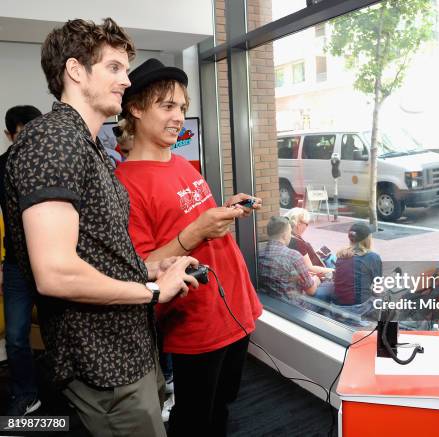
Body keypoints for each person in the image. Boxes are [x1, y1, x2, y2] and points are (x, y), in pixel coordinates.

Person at [4, 19, 198, 437]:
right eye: (113, 68)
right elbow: (55, 273)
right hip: (103, 362)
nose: (126, 80)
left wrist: (147, 269)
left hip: (129, 348)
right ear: (76, 71)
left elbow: (92, 250)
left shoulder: (88, 146)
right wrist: (152, 292)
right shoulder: (53, 141)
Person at [114, 58, 263, 437]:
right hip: (196, 320)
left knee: (224, 405)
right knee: (195, 418)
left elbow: (195, 220)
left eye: (182, 107)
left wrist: (224, 212)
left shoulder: (182, 164)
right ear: (135, 108)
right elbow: (141, 266)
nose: (178, 116)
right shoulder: (123, 184)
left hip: (236, 304)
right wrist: (198, 229)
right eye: (167, 106)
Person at [0, 105, 42, 416]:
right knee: (15, 336)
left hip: (55, 263)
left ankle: (75, 394)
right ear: (9, 135)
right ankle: (27, 394)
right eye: (21, 134)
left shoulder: (53, 162)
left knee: (64, 333)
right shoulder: (1, 166)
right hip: (16, 265)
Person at [258, 216, 326, 303]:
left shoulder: (259, 254)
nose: (291, 236)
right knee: (329, 291)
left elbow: (277, 277)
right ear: (284, 235)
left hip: (270, 304)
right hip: (293, 308)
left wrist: (297, 278)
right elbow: (311, 290)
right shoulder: (293, 256)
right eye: (290, 232)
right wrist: (316, 279)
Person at [333, 223, 382, 315]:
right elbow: (377, 288)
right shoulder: (373, 257)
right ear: (367, 239)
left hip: (336, 306)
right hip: (357, 308)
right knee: (384, 297)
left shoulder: (341, 254)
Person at [284, 207, 335, 275]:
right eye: (306, 224)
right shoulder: (297, 242)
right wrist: (334, 270)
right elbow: (310, 268)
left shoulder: (288, 236)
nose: (307, 227)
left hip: (317, 262)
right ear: (299, 224)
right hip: (318, 271)